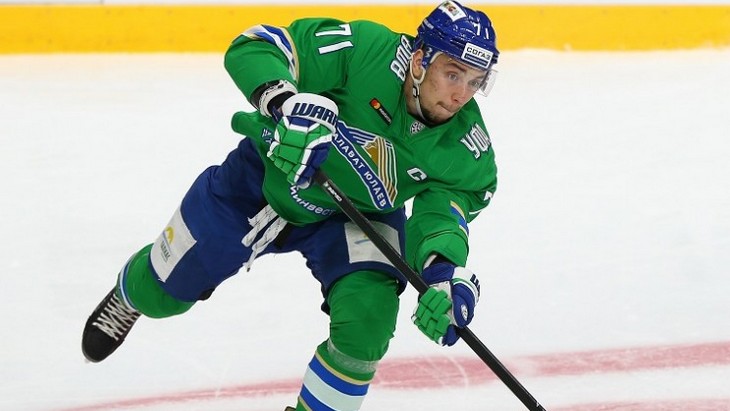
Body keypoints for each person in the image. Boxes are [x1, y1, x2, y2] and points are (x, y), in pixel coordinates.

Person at [81, 1, 499, 409]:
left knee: (368, 323)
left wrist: (442, 273)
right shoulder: (366, 50)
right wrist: (284, 104)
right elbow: (257, 45)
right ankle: (130, 295)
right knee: (161, 296)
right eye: (453, 74)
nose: (461, 94)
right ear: (420, 60)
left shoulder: (467, 147)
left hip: (356, 217)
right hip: (260, 183)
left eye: (475, 81)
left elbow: (442, 214)